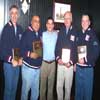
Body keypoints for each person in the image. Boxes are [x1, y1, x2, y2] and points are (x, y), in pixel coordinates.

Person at [0, 5, 23, 100]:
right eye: (12, 13)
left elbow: (21, 47)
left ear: (18, 15)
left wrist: (21, 58)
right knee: (8, 89)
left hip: (17, 63)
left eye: (16, 13)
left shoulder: (20, 28)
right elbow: (2, 50)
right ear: (10, 15)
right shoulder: (6, 29)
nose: (14, 15)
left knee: (14, 89)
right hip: (9, 64)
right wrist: (11, 60)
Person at [75, 14, 100, 100]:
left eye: (86, 21)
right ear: (81, 22)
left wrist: (85, 60)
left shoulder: (93, 34)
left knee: (87, 95)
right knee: (78, 93)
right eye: (83, 20)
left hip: (88, 69)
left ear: (89, 23)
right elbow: (75, 49)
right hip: (78, 68)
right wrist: (75, 62)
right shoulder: (78, 34)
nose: (84, 22)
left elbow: (96, 51)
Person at [55, 11, 77, 100]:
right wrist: (58, 58)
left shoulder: (75, 31)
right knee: (59, 86)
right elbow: (57, 47)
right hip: (60, 64)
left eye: (68, 18)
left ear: (71, 19)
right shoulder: (61, 31)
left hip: (69, 65)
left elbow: (76, 49)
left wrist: (72, 62)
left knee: (68, 88)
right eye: (65, 18)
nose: (66, 20)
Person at [21, 15, 42, 100]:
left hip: (37, 69)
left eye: (38, 21)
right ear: (31, 22)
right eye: (35, 21)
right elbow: (21, 50)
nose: (37, 23)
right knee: (25, 93)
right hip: (28, 69)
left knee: (35, 93)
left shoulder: (40, 33)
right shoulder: (26, 33)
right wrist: (29, 54)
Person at [40, 17, 58, 100]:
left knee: (51, 87)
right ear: (46, 25)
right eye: (49, 23)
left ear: (53, 25)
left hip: (53, 64)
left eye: (52, 23)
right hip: (44, 64)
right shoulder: (42, 34)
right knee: (42, 87)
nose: (50, 25)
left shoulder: (56, 34)